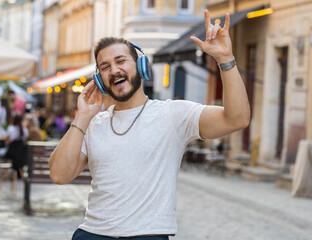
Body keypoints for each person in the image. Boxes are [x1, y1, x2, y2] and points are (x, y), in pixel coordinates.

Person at [49, 10, 250, 239]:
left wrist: (225, 60)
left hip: (148, 235)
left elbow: (238, 119)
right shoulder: (93, 124)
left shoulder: (172, 114)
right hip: (92, 234)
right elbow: (58, 175)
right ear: (100, 79)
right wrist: (82, 117)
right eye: (104, 67)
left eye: (121, 61)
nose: (114, 70)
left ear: (140, 66)